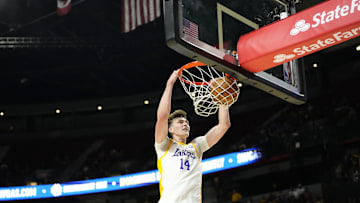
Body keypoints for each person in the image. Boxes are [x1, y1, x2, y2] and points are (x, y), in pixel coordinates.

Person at [154, 70, 232, 202]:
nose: (185, 124)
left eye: (187, 122)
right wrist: (170, 83)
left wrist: (222, 97)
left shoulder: (197, 146)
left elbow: (224, 125)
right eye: (180, 122)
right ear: (170, 129)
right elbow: (162, 117)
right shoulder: (164, 145)